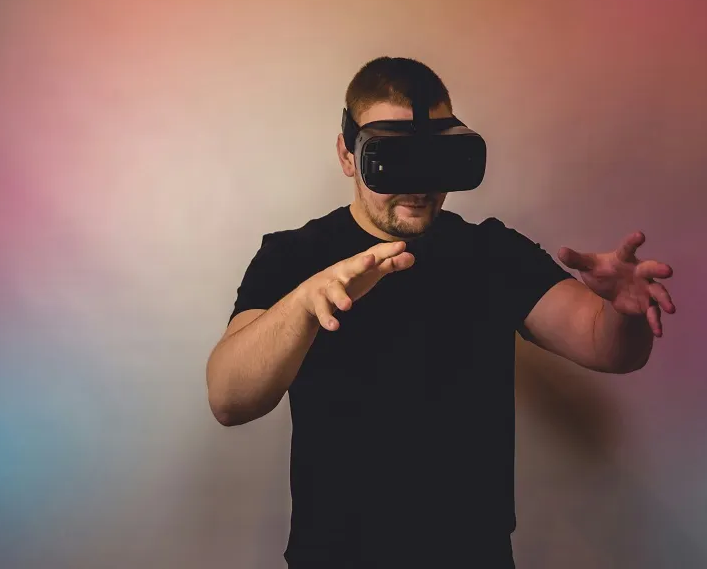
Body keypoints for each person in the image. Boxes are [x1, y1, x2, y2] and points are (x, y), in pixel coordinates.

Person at [205, 56, 676, 569]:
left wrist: (623, 312)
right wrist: (304, 303)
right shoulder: (292, 256)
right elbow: (229, 400)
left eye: (433, 157)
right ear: (347, 154)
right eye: (392, 156)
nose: (418, 183)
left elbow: (605, 346)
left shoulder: (494, 253)